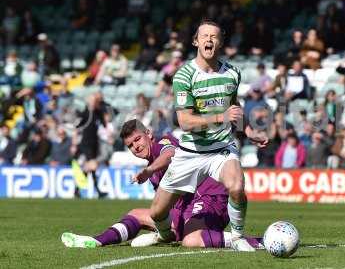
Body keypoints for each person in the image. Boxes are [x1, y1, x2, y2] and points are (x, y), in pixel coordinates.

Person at [144, 20, 268, 252]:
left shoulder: (232, 73)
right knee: (157, 212)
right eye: (204, 36)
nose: (209, 40)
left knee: (237, 186)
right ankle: (165, 234)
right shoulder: (184, 76)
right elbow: (185, 122)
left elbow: (234, 106)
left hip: (221, 149)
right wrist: (221, 117)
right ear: (195, 41)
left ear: (220, 42)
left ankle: (238, 237)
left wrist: (249, 131)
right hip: (190, 153)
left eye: (214, 36)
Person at [61, 119, 263, 249]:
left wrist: (149, 170)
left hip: (210, 199)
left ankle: (255, 242)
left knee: (191, 240)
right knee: (136, 214)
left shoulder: (163, 143)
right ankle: (98, 241)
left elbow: (170, 154)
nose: (136, 147)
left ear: (148, 134)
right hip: (188, 208)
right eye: (130, 145)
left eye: (138, 139)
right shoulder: (153, 167)